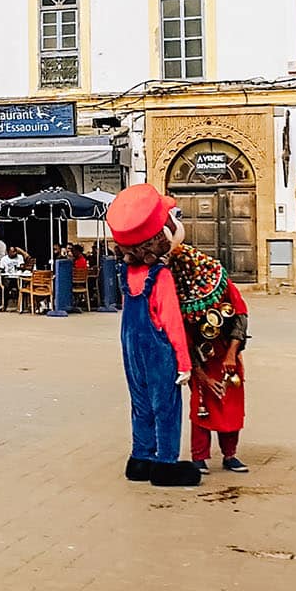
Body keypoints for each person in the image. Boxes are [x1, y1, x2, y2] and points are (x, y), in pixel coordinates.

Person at [106, 184, 201, 488]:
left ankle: (140, 457)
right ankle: (165, 463)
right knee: (166, 405)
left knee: (140, 403)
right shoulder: (161, 276)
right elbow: (171, 322)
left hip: (131, 346)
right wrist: (184, 363)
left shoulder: (128, 274)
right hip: (158, 348)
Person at [172, 246, 251, 473]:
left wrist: (231, 354)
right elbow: (183, 336)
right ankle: (199, 455)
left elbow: (240, 315)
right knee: (201, 404)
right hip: (200, 357)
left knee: (231, 401)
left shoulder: (219, 281)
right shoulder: (178, 293)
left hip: (227, 354)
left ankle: (230, 454)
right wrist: (200, 374)